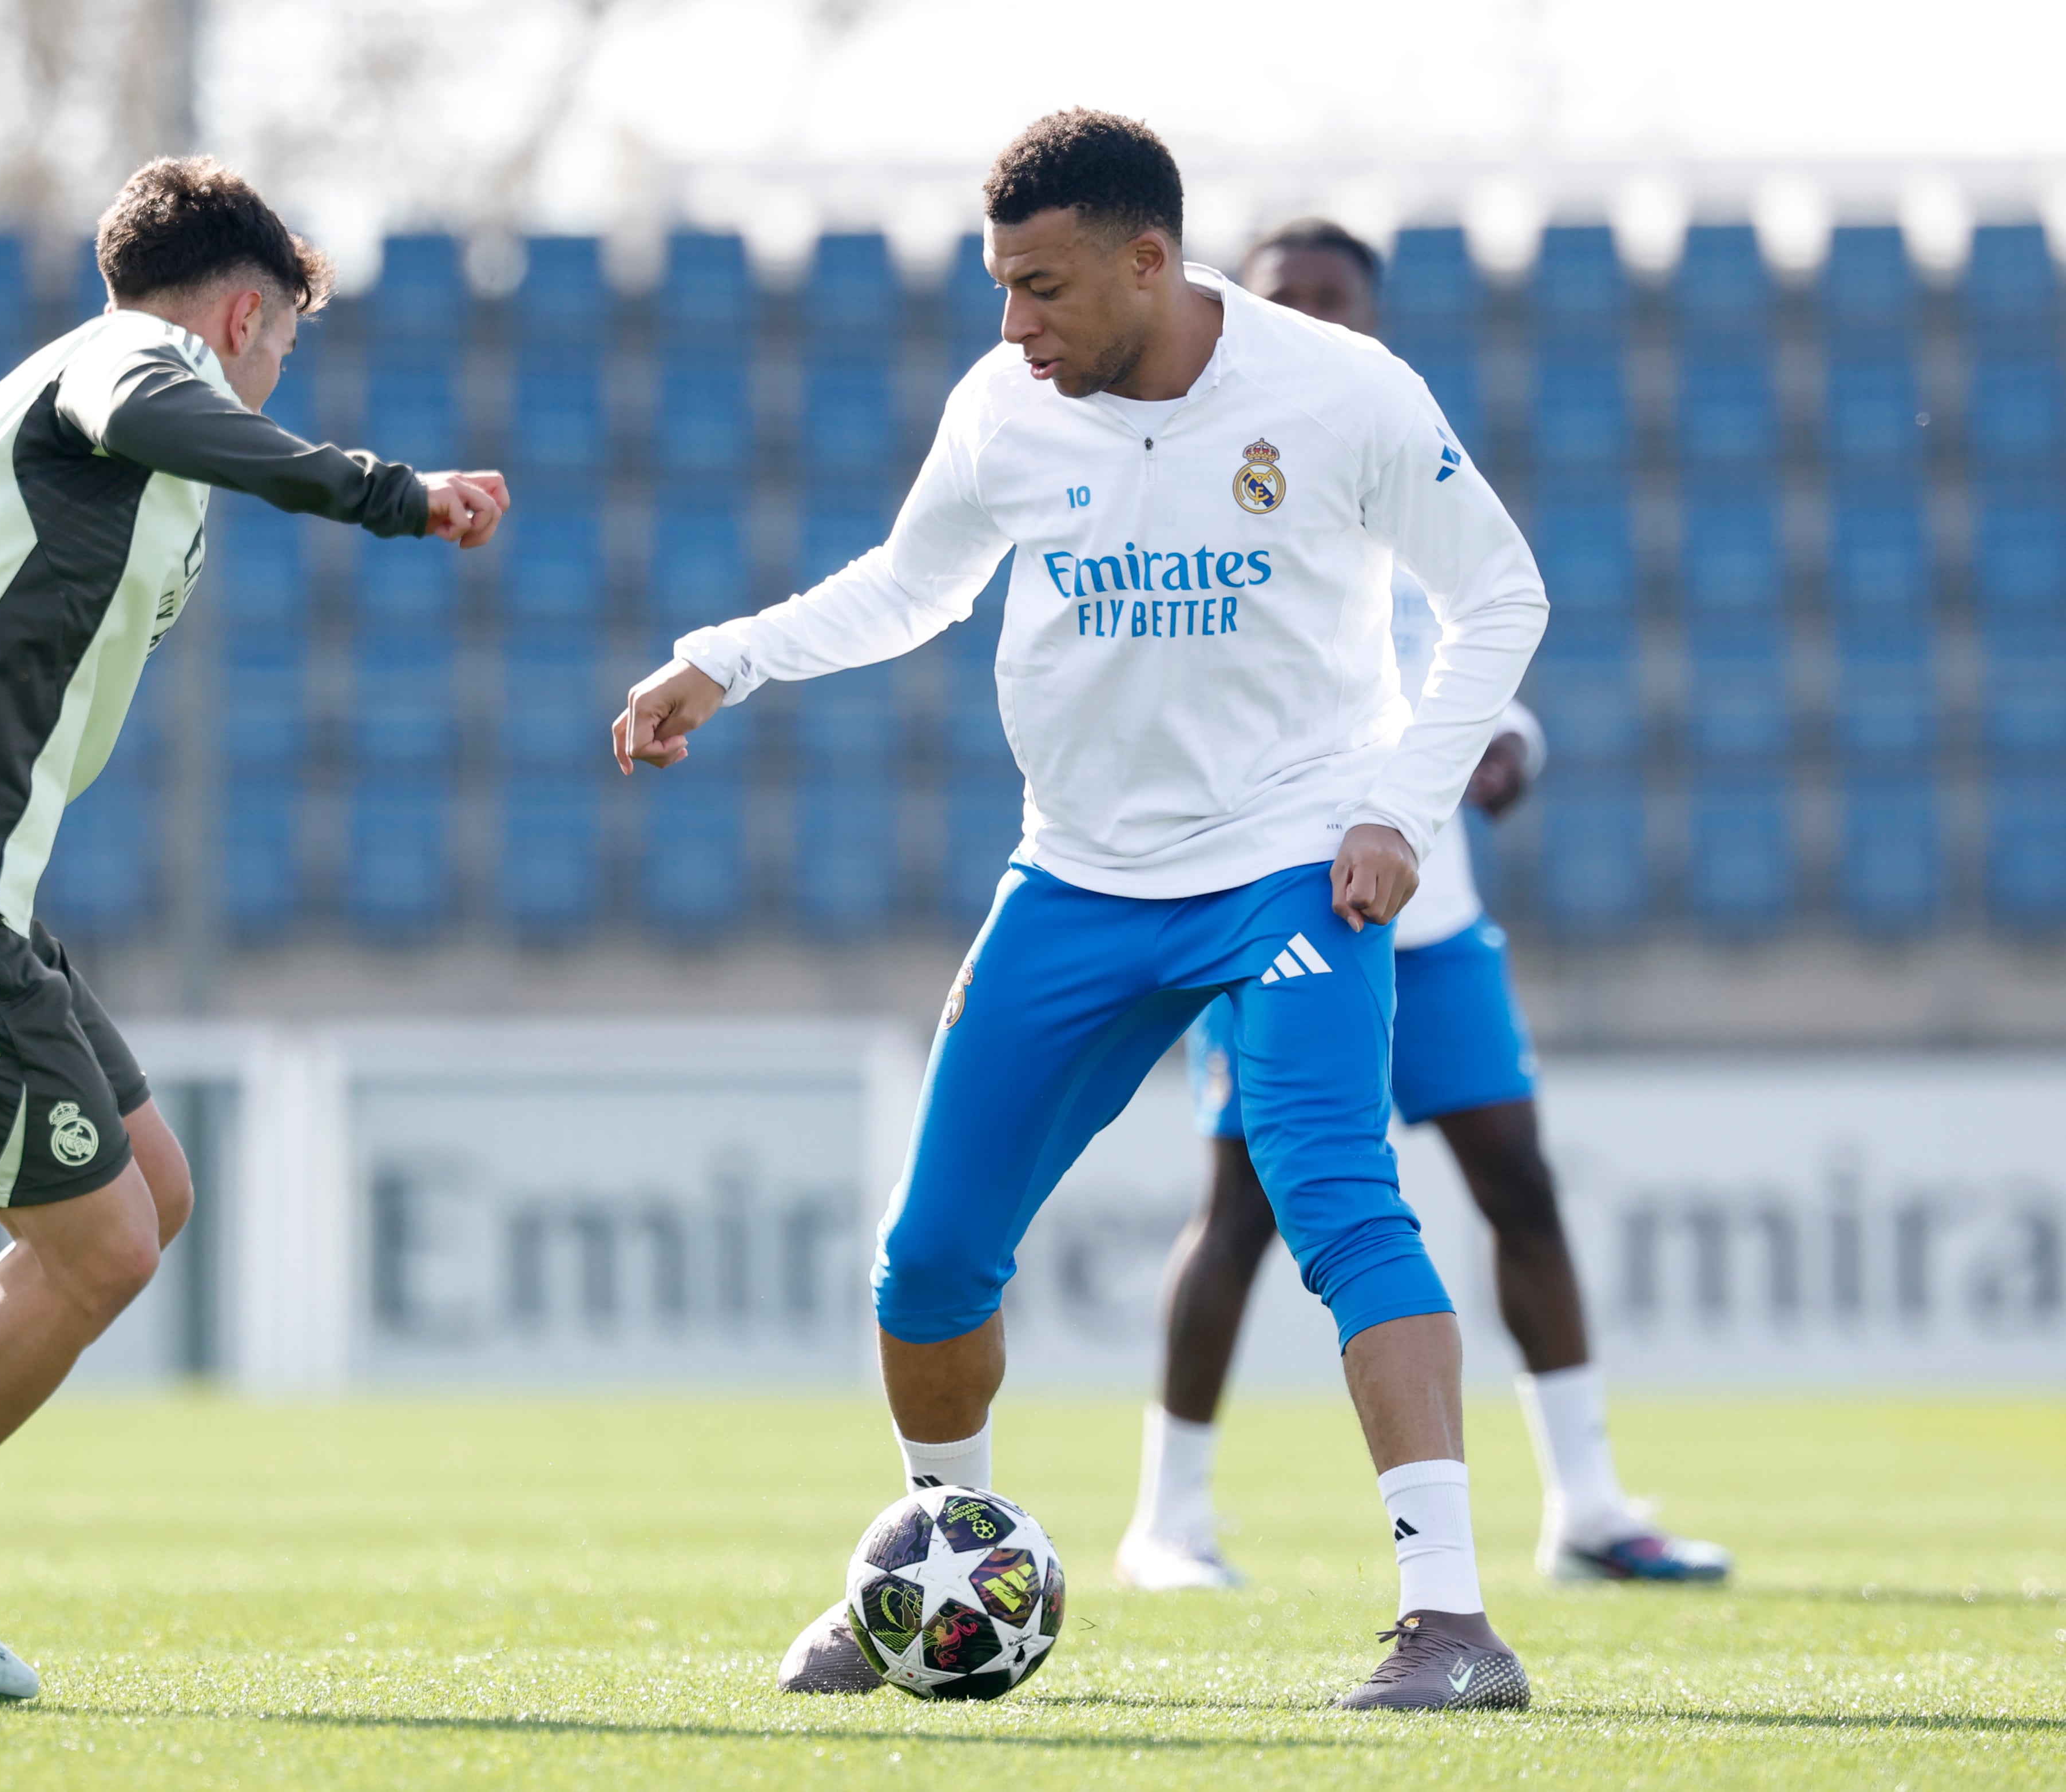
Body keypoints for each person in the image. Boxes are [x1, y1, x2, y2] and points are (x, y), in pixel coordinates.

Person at [617, 113, 1548, 1711]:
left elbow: (1501, 592)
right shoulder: (1005, 405)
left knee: (1337, 1204)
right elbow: (913, 583)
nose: (1011, 325)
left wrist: (1393, 804)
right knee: (927, 1261)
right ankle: (935, 1555)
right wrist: (731, 654)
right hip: (1078, 873)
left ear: (1146, 260)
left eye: (1041, 287)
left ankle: (1449, 1618)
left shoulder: (1337, 390)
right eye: (998, 287)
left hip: (1285, 865)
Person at [0, 156, 508, 1709]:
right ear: (242, 312)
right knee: (95, 1239)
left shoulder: (70, 418)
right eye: (279, 338)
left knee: (150, 1194)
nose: (275, 365)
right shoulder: (126, 362)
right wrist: (388, 491)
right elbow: (157, 407)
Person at [1113, 220, 1730, 1597]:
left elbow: (1478, 653)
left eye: (1341, 301)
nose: (1320, 320)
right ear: (1240, 315)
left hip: (1427, 921)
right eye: (1293, 301)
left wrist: (1511, 749)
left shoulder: (1402, 458)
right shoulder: (1209, 478)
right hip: (1271, 912)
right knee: (1243, 1214)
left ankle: (1584, 1504)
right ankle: (1170, 1520)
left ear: (1375, 318)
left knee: (1518, 1186)